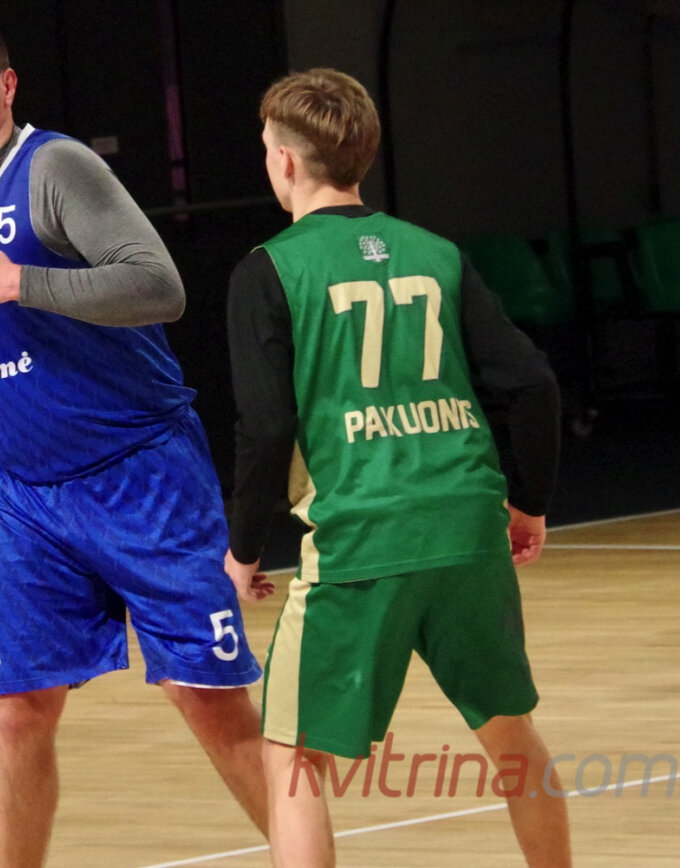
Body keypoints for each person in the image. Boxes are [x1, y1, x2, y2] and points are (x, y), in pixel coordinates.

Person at [0, 18, 268, 866]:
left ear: (7, 85)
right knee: (18, 708)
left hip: (139, 474)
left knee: (207, 697)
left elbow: (159, 286)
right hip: (25, 497)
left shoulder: (55, 167)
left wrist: (23, 279)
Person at [224, 68, 573, 866]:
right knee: (512, 737)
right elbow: (533, 384)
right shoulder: (436, 253)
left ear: (284, 161)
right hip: (466, 526)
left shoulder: (270, 269)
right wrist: (529, 502)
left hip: (362, 538)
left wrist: (243, 548)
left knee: (294, 757)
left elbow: (267, 426)